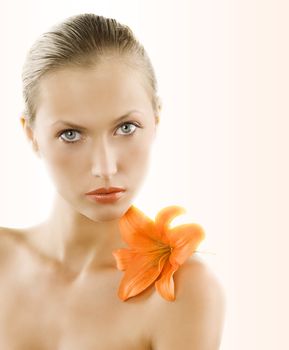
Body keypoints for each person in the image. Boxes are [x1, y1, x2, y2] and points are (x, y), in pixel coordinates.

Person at [0, 13, 226, 349]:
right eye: (71, 134)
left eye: (126, 128)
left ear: (156, 119)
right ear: (31, 134)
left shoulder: (182, 291)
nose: (104, 167)